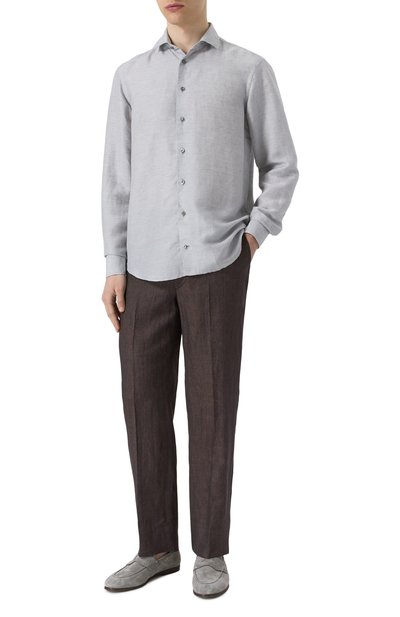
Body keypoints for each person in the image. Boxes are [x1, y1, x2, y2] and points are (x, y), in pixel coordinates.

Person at [101, 0, 299, 599]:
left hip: (218, 264)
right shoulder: (130, 77)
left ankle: (210, 552)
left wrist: (253, 237)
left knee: (213, 409)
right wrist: (114, 265)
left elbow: (282, 166)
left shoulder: (249, 70)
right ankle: (157, 548)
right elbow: (117, 180)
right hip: (144, 268)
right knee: (143, 410)